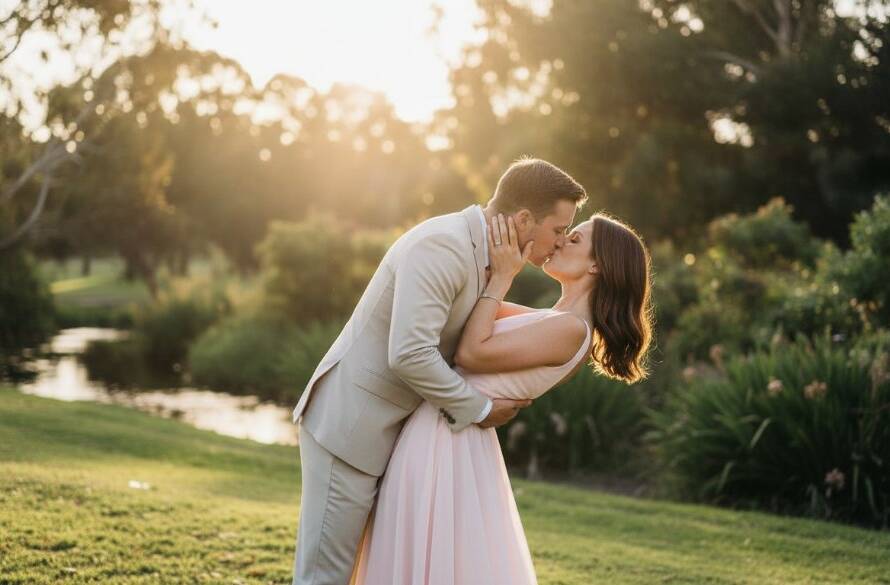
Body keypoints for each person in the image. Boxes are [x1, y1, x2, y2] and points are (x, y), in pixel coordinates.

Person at [291, 157, 589, 585]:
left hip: (390, 438)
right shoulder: (443, 246)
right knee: (325, 577)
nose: (559, 242)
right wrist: (482, 409)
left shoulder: (493, 260)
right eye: (558, 230)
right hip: (350, 429)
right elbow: (410, 353)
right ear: (524, 219)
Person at [351, 207, 654, 585]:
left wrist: (505, 276)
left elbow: (470, 352)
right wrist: (513, 245)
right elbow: (467, 308)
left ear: (597, 267)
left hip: (446, 442)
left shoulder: (571, 331)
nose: (561, 240)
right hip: (449, 432)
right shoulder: (552, 319)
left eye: (574, 239)